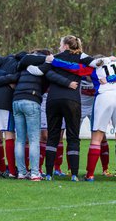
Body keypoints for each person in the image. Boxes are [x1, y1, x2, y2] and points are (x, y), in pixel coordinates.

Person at [12, 50, 77, 181]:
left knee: (20, 139)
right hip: (31, 100)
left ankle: (21, 172)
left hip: (16, 100)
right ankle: (35, 173)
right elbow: (52, 76)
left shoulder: (24, 66)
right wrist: (68, 83)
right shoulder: (44, 67)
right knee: (34, 139)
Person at [44, 35, 94, 181]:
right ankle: (74, 174)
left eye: (60, 44)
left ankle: (48, 173)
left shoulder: (54, 58)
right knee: (73, 136)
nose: (59, 47)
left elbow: (47, 73)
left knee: (53, 136)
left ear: (66, 45)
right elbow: (95, 65)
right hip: (72, 100)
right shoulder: (82, 58)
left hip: (53, 99)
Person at [0, 52, 26, 178]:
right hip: (4, 101)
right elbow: (14, 79)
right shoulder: (20, 65)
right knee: (9, 135)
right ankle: (12, 172)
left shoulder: (5, 60)